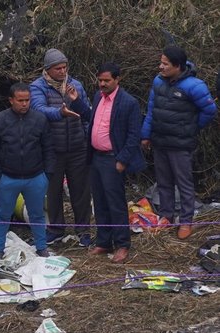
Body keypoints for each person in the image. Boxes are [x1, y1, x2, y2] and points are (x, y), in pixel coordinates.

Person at [140, 45, 218, 239]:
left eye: (165, 64)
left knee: (184, 184)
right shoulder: (158, 82)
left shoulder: (194, 85)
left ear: (178, 66)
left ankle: (186, 221)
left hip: (181, 144)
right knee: (164, 182)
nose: (161, 67)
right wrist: (146, 134)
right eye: (161, 63)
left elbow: (209, 110)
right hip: (160, 141)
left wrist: (190, 128)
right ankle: (166, 216)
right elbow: (152, 109)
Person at [30, 48, 93, 246]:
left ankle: (83, 230)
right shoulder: (38, 87)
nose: (62, 71)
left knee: (81, 190)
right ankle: (56, 228)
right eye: (58, 68)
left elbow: (87, 112)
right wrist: (60, 112)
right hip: (52, 148)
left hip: (77, 146)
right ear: (47, 69)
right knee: (53, 190)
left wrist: (87, 136)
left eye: (65, 67)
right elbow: (39, 110)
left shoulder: (76, 85)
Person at [0, 82, 55, 258]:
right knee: (2, 215)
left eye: (27, 100)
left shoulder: (40, 119)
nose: (24, 104)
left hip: (36, 176)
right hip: (7, 178)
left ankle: (41, 247)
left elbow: (48, 147)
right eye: (20, 100)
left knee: (37, 214)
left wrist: (48, 174)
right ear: (11, 100)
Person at [87, 62, 146, 263]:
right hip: (96, 157)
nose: (102, 84)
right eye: (100, 80)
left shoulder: (128, 103)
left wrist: (122, 159)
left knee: (116, 203)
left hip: (113, 159)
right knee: (100, 201)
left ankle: (122, 244)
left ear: (117, 79)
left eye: (107, 80)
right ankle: (104, 242)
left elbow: (133, 135)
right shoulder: (97, 97)